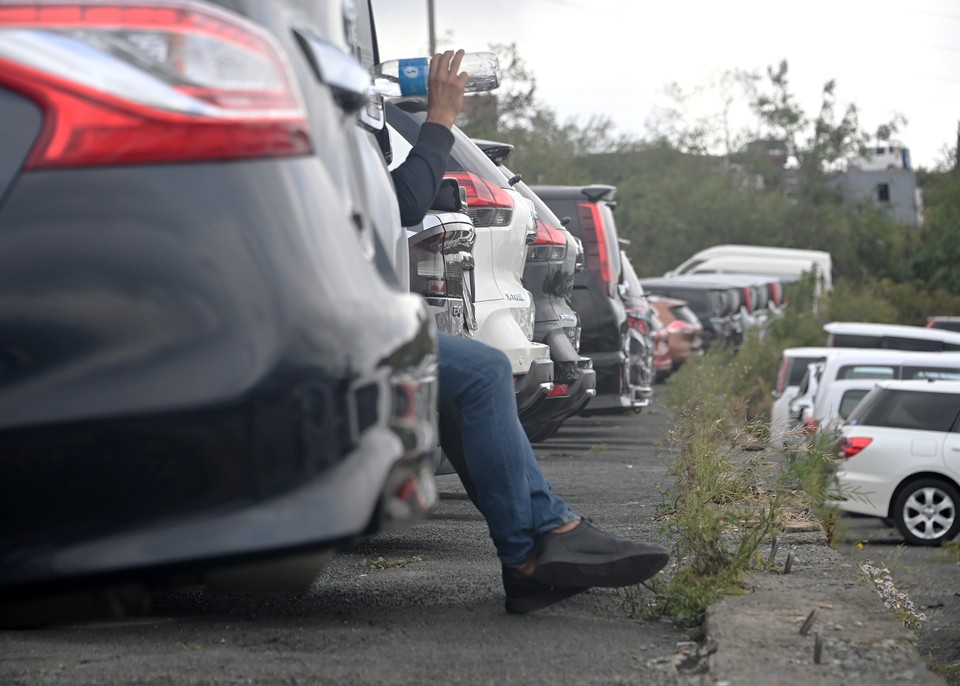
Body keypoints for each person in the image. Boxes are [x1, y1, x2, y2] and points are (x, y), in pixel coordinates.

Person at [387, 50, 668, 614]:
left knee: (473, 374)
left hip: (331, 321)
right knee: (481, 371)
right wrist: (439, 118)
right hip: (307, 331)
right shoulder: (287, 129)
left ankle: (543, 540)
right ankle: (534, 548)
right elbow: (403, 201)